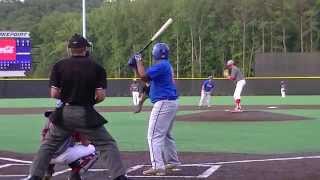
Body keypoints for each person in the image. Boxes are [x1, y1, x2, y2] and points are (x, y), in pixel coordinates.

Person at [25, 34, 129, 180]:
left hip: (64, 113)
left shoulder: (59, 66)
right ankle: (119, 177)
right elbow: (100, 96)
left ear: (70, 49)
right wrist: (88, 102)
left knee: (48, 144)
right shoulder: (97, 67)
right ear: (85, 48)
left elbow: (54, 93)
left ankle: (34, 176)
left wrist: (67, 97)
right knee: (107, 144)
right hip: (85, 113)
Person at [128, 42, 181, 176]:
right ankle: (173, 162)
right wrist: (135, 66)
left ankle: (158, 166)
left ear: (155, 54)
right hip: (171, 102)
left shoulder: (161, 66)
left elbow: (143, 76)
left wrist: (139, 60)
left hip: (164, 103)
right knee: (166, 134)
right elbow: (148, 85)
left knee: (153, 136)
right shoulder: (164, 66)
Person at [41, 110, 98, 180]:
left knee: (52, 148)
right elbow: (85, 143)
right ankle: (76, 173)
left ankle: (48, 172)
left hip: (44, 157)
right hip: (64, 157)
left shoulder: (49, 123)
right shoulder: (74, 122)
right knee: (94, 150)